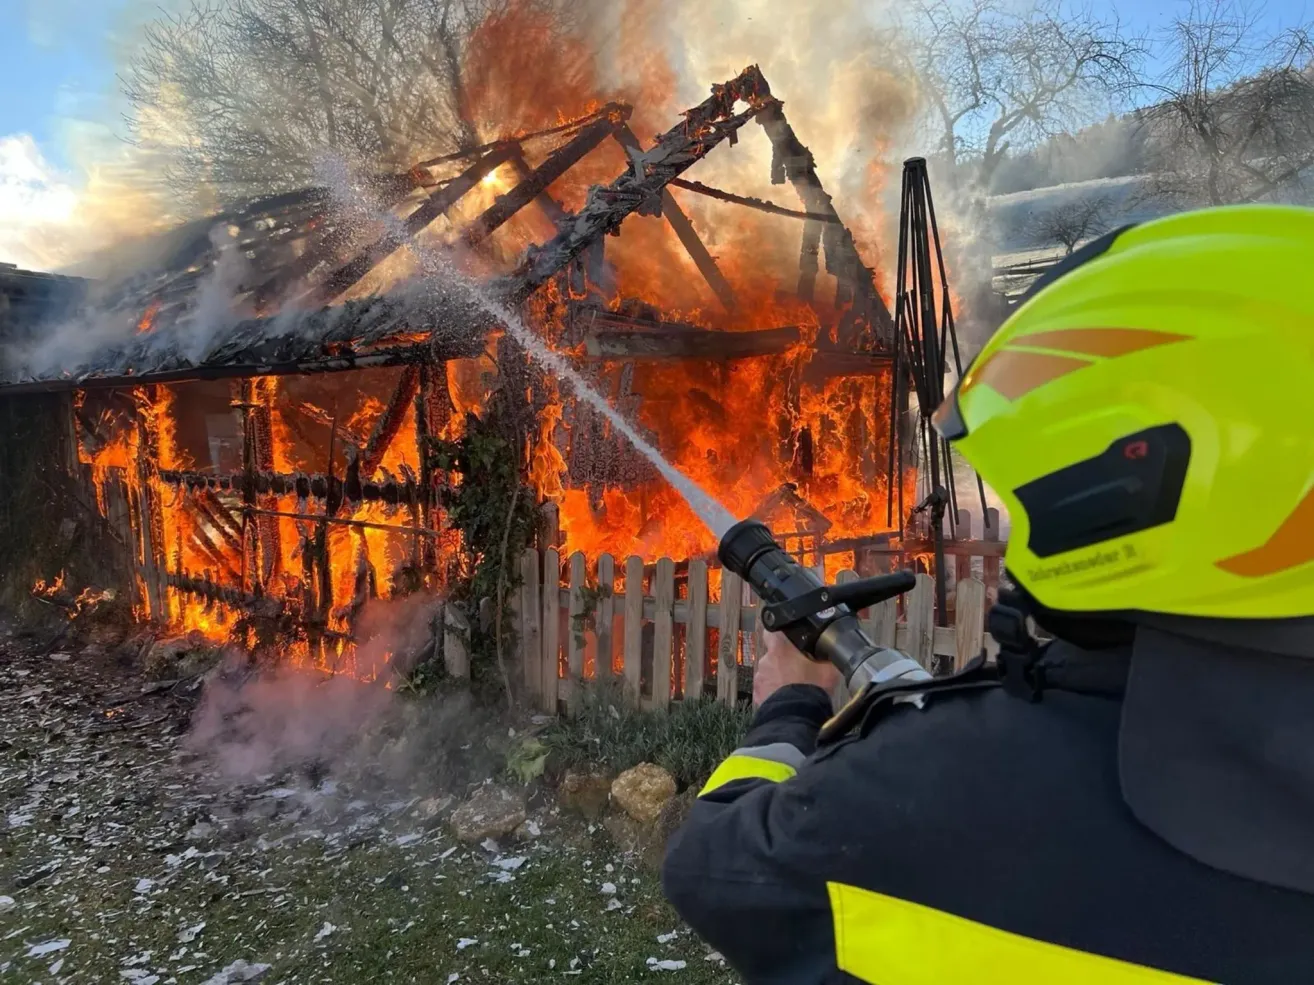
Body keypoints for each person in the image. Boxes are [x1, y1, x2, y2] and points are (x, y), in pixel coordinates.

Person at [661, 204, 1314, 985]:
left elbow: (714, 868)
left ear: (1121, 487)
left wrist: (791, 706)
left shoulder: (955, 788)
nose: (1001, 526)